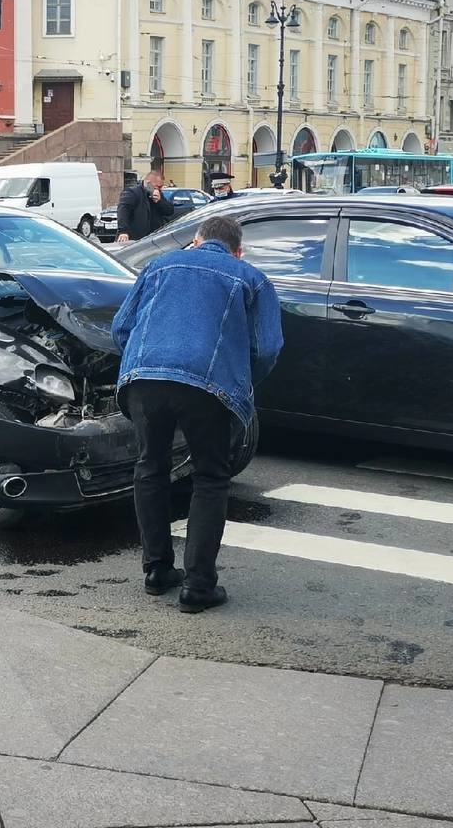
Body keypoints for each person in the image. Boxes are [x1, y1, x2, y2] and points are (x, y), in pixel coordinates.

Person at [110, 215, 284, 613]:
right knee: (210, 476)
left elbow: (121, 328)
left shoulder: (157, 265)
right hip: (207, 387)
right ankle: (198, 586)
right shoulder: (251, 278)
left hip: (144, 380)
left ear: (196, 241)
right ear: (238, 250)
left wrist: (144, 362)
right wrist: (237, 381)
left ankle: (156, 571)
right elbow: (267, 348)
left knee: (149, 467)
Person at [116, 170, 175, 242]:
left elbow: (169, 211)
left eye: (161, 187)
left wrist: (160, 201)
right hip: (135, 239)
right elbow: (123, 211)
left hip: (153, 239)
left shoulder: (159, 195)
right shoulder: (132, 193)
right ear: (148, 183)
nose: (160, 189)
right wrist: (123, 231)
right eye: (157, 187)